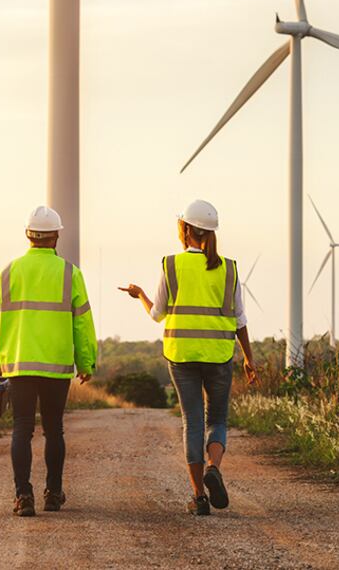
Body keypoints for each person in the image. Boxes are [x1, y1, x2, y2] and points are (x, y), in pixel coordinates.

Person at [119, 199, 258, 516]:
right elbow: (239, 319)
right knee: (217, 419)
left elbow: (157, 314)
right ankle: (214, 467)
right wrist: (249, 358)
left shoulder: (171, 265)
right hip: (219, 355)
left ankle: (199, 497)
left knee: (192, 422)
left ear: (184, 229)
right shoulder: (229, 268)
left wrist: (140, 295)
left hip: (181, 356)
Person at [0, 206, 97, 517]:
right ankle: (53, 494)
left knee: (22, 428)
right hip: (56, 365)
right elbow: (82, 323)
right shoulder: (70, 273)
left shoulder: (7, 272)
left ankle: (23, 496)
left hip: (18, 363)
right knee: (54, 429)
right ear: (56, 236)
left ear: (27, 235)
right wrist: (86, 362)